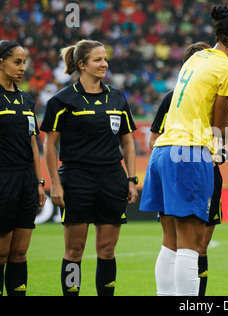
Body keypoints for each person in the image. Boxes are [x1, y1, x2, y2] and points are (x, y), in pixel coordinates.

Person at [140, 5, 228, 296]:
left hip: (163, 152)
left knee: (170, 242)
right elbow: (219, 127)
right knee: (191, 245)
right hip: (190, 154)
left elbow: (217, 114)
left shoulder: (197, 58)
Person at [40, 40, 138, 296]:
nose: (104, 63)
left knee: (107, 251)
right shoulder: (61, 100)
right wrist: (56, 183)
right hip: (76, 180)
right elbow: (50, 146)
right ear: (82, 65)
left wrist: (131, 178)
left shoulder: (117, 97)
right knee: (74, 251)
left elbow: (127, 142)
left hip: (112, 180)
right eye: (97, 59)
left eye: (105, 58)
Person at [0, 40, 46, 296]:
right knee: (2, 253)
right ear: (1, 62)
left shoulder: (26, 99)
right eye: (17, 62)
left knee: (19, 253)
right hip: (3, 179)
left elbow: (33, 144)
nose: (22, 67)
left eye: (24, 62)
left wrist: (39, 183)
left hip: (27, 182)